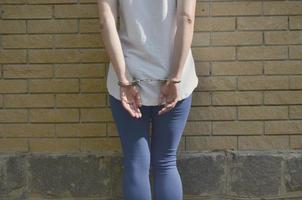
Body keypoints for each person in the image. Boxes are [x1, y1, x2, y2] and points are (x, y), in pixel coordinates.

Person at [97, 0, 198, 199]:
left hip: (127, 76)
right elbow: (186, 18)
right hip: (174, 78)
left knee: (136, 162)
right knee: (166, 162)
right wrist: (175, 77)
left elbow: (105, 20)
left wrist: (124, 80)